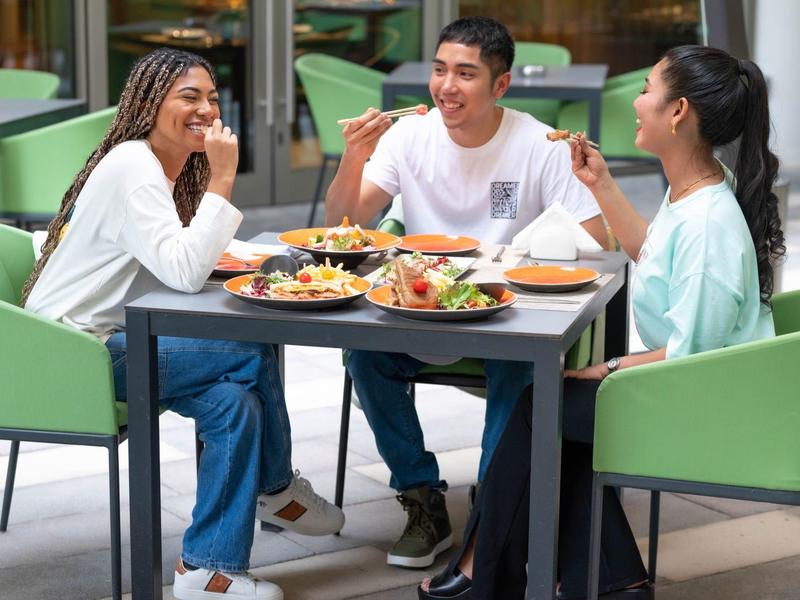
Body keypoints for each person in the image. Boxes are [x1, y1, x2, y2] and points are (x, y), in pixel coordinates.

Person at [419, 44, 785, 600]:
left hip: (709, 403)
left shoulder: (708, 222)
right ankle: (614, 580)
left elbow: (691, 355)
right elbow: (654, 256)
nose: (636, 102)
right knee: (559, 409)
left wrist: (610, 367)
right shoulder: (698, 187)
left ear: (678, 111)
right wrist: (600, 184)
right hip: (699, 385)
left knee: (543, 408)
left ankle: (481, 574)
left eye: (645, 90)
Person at [23, 48, 344, 600]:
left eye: (212, 98)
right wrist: (224, 177)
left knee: (234, 404)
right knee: (251, 348)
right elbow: (184, 272)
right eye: (188, 97)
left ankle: (207, 571)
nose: (206, 109)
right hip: (73, 353)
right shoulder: (133, 168)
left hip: (113, 338)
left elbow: (171, 254)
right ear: (150, 105)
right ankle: (276, 487)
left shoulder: (160, 165)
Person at [325, 15, 609, 569]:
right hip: (419, 305)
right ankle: (421, 497)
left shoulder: (537, 144)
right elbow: (343, 224)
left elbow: (596, 238)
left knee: (519, 362)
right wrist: (354, 157)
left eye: (465, 73)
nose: (446, 86)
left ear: (500, 84)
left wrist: (533, 250)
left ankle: (492, 507)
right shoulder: (408, 135)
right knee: (364, 353)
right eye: (439, 70)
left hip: (502, 311)